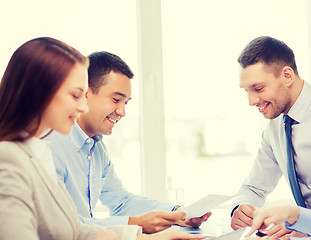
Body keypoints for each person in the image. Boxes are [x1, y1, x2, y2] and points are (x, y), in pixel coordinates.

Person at [0, 36, 206, 240]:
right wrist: (137, 227)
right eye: (75, 95)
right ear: (41, 92)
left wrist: (172, 217)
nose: (82, 106)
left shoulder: (52, 151)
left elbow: (74, 227)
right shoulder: (16, 157)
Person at [45, 51, 211, 234]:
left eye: (126, 102)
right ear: (85, 94)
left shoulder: (97, 149)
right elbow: (66, 225)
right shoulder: (50, 145)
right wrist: (136, 223)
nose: (122, 112)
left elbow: (122, 202)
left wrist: (176, 214)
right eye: (116, 99)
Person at [230, 36, 311, 239]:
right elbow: (254, 187)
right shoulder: (274, 127)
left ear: (287, 76)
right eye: (246, 91)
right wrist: (241, 208)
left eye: (258, 88)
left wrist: (303, 226)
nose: (251, 101)